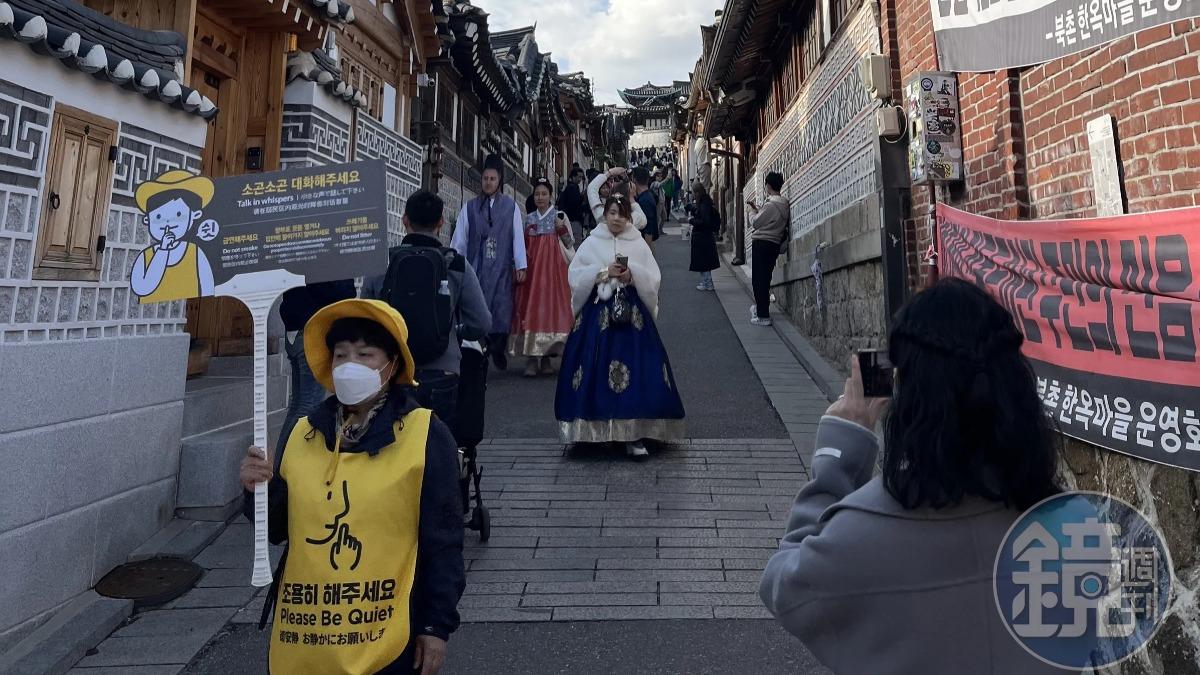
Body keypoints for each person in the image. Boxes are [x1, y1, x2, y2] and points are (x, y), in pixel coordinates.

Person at [759, 279, 1063, 675]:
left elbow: (784, 587)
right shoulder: (1063, 526)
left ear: (909, 396)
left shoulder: (859, 533)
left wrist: (838, 452)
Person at [239, 299, 465, 675]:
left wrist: (434, 626)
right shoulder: (302, 433)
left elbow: (444, 539)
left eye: (365, 354)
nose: (350, 365)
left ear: (392, 364)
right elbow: (279, 529)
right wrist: (257, 489)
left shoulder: (424, 434)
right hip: (306, 635)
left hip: (387, 636)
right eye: (341, 355)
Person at [555, 194, 685, 460]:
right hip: (597, 315)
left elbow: (653, 276)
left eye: (621, 213)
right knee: (591, 366)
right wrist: (603, 272)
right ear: (605, 214)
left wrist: (631, 274)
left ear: (628, 216)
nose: (616, 218)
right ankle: (590, 431)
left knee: (639, 368)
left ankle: (635, 432)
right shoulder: (592, 241)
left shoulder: (637, 243)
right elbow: (576, 274)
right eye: (612, 213)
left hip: (632, 317)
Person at [362, 190, 492, 429]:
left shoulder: (382, 263)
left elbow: (366, 319)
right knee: (438, 445)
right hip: (442, 371)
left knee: (391, 447)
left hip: (391, 371)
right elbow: (482, 322)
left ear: (404, 220)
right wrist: (456, 330)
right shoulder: (456, 263)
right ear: (441, 222)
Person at [450, 155, 528, 371]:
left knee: (502, 307)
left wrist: (520, 264)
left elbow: (517, 237)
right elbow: (460, 238)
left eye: (493, 179)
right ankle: (481, 346)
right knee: (478, 305)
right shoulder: (470, 207)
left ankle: (498, 346)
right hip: (477, 266)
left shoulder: (511, 207)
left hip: (502, 266)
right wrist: (456, 261)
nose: (488, 182)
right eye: (485, 178)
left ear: (499, 180)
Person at [276, 280, 358, 463]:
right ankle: (286, 468)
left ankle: (280, 465)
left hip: (296, 327)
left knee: (298, 405)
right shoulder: (321, 257)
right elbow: (336, 289)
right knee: (307, 407)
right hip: (311, 329)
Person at [511, 178, 575, 377]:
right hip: (533, 269)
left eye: (544, 194)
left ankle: (547, 357)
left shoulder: (559, 216)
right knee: (531, 308)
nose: (540, 197)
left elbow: (569, 242)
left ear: (550, 196)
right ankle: (531, 359)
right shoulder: (529, 218)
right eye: (537, 194)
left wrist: (561, 228)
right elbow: (521, 245)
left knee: (550, 309)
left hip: (554, 271)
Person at [130, 170, 216, 303]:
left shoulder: (195, 253)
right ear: (147, 220)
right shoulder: (145, 256)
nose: (168, 222)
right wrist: (163, 251)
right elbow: (142, 288)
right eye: (158, 216)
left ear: (195, 215)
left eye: (178, 215)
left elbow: (207, 286)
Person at [746, 171, 789, 326]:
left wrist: (751, 212)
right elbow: (770, 220)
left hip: (762, 242)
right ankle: (760, 308)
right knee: (765, 277)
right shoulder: (784, 203)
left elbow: (756, 223)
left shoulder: (771, 204)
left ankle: (763, 315)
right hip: (774, 244)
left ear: (768, 186)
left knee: (759, 279)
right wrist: (759, 210)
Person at [587, 167, 648, 232]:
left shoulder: (603, 216)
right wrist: (631, 198)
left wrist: (610, 172)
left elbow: (591, 189)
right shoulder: (631, 220)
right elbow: (643, 219)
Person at [687, 183, 721, 292]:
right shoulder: (705, 202)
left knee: (703, 262)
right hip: (705, 236)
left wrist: (692, 221)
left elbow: (704, 221)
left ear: (697, 192)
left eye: (693, 192)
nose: (692, 194)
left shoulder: (703, 204)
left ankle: (707, 283)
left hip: (702, 236)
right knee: (705, 261)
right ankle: (706, 282)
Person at [632, 167, 660, 250]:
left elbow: (649, 230)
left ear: (634, 179)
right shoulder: (647, 196)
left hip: (645, 244)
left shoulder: (645, 200)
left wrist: (646, 251)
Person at [557, 167, 587, 243]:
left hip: (568, 220)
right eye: (579, 177)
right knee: (575, 244)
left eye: (581, 177)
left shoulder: (569, 188)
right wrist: (582, 197)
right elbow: (575, 203)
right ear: (573, 177)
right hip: (573, 221)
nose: (580, 179)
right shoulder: (572, 188)